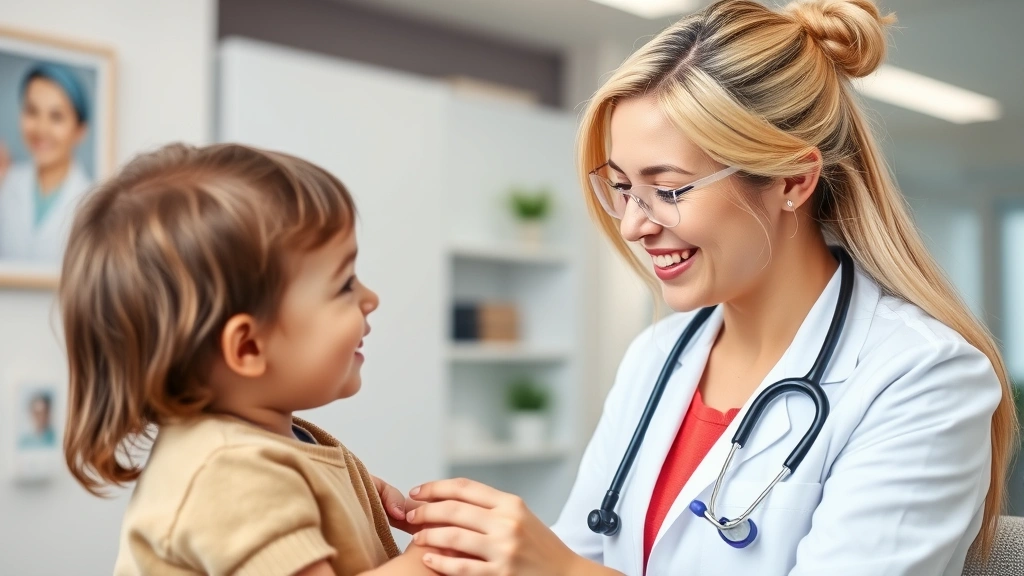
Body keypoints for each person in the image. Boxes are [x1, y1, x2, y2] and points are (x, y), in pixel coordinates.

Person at [382, 0, 1019, 574]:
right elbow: (582, 550)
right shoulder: (658, 357)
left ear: (793, 180)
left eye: (668, 188)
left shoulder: (923, 376)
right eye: (624, 188)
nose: (633, 224)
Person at [59, 143, 440, 576]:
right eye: (344, 285)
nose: (371, 298)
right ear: (248, 348)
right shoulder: (229, 474)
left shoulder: (251, 454)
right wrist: (430, 563)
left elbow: (286, 490)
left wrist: (353, 495)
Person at [0, 62, 93, 264]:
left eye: (56, 117)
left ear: (80, 131)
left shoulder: (91, 202)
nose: (41, 129)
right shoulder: (5, 182)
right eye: (32, 111)